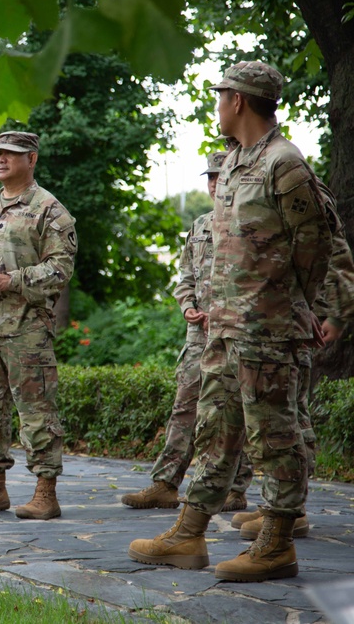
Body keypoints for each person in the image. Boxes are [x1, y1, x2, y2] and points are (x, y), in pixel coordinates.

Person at [128, 61, 334, 582]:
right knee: (215, 431)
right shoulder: (239, 163)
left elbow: (317, 247)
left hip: (266, 331)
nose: (217, 105)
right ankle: (188, 532)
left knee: (276, 436)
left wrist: (292, 304)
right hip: (223, 329)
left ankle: (277, 544)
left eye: (221, 96)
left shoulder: (284, 165)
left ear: (238, 101)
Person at [0, 130, 78, 520]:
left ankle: (45, 492)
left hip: (27, 331)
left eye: (11, 153)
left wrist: (12, 281)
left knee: (38, 413)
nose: (1, 159)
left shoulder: (50, 210)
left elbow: (61, 268)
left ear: (32, 158)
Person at [121, 151, 252, 512]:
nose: (214, 183)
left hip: (239, 336)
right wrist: (188, 306)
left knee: (238, 410)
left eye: (220, 176)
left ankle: (235, 489)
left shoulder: (254, 222)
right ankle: (166, 484)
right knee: (185, 409)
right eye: (209, 177)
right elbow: (186, 278)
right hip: (199, 337)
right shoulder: (200, 225)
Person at [230, 182, 354, 540]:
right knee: (275, 419)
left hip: (297, 319)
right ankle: (278, 506)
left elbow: (334, 253)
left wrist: (338, 315)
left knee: (289, 416)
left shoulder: (300, 186)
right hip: (272, 319)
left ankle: (290, 511)